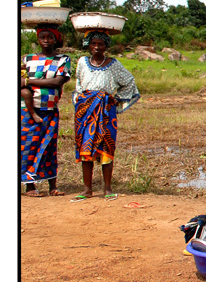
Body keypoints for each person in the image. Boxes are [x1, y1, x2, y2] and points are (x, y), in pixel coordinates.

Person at [72, 30, 140, 201]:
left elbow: (129, 81)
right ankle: (87, 189)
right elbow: (79, 83)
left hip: (105, 110)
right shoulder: (82, 62)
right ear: (88, 44)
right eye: (93, 43)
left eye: (100, 44)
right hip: (85, 110)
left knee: (106, 147)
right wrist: (80, 99)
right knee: (85, 148)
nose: (96, 47)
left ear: (106, 46)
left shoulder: (114, 64)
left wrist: (116, 99)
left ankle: (107, 189)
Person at [20, 24, 71, 197]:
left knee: (49, 147)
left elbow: (57, 82)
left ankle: (52, 186)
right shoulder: (27, 59)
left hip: (50, 109)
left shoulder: (63, 59)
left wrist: (29, 82)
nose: (46, 40)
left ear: (56, 39)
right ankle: (30, 186)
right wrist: (26, 84)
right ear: (38, 39)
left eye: (50, 37)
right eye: (43, 37)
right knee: (28, 146)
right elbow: (20, 81)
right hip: (27, 110)